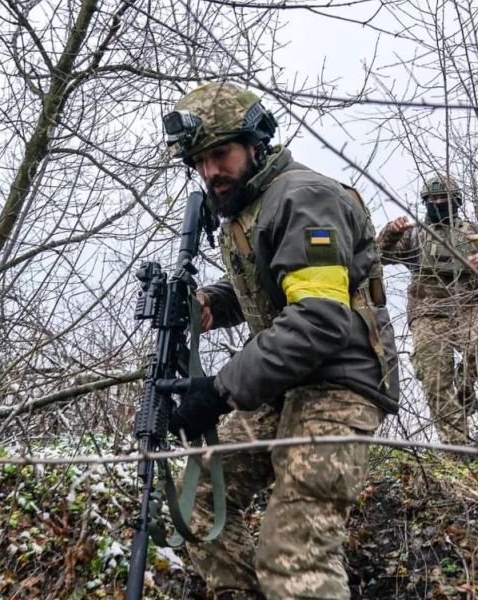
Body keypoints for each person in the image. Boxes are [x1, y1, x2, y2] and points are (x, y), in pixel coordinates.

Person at [156, 82, 400, 600]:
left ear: (255, 143)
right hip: (286, 384)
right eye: (199, 161)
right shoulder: (252, 206)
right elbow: (275, 283)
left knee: (293, 553)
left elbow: (319, 318)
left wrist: (220, 390)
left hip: (338, 387)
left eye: (219, 154)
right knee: (196, 502)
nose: (209, 172)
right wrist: (209, 305)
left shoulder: (303, 197)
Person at [377, 174, 478, 445]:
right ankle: (458, 450)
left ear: (455, 201)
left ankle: (465, 387)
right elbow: (380, 256)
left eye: (442, 198)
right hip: (427, 311)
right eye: (432, 199)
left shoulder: (476, 233)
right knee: (436, 380)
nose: (437, 203)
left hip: (468, 307)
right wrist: (391, 232)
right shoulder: (413, 234)